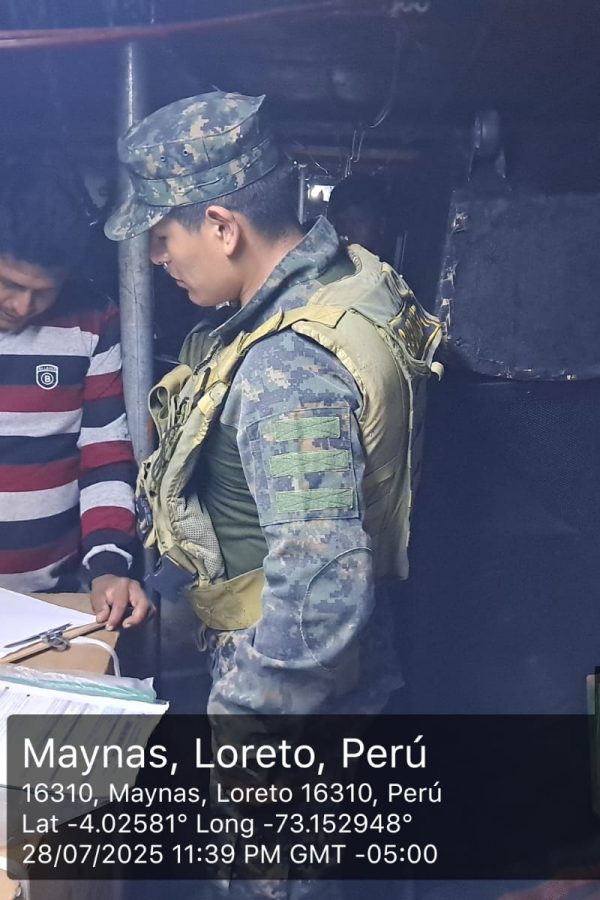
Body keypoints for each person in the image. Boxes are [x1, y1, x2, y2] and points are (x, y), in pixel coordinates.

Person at [104, 89, 441, 715]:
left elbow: (321, 585)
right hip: (344, 662)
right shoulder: (345, 279)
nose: (155, 257)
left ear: (222, 228)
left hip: (289, 689)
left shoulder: (288, 364)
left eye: (162, 235)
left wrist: (245, 722)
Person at [0, 160, 152, 630]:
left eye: (43, 292)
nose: (23, 306)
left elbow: (103, 455)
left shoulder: (92, 322)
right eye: (9, 284)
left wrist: (107, 566)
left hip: (56, 601)